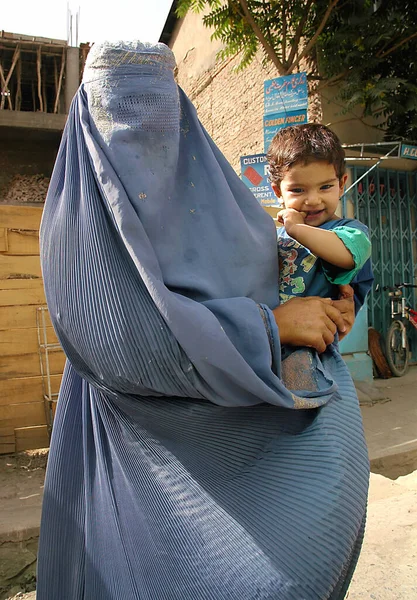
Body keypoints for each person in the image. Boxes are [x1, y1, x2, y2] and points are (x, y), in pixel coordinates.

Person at [37, 40, 369, 600]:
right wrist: (271, 327)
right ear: (90, 124)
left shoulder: (222, 203)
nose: (145, 137)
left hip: (256, 434)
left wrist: (341, 299)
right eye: (122, 114)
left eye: (160, 112)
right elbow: (118, 341)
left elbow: (292, 270)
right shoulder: (75, 226)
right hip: (136, 449)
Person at [267, 123, 373, 311]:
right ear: (278, 192)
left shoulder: (350, 230)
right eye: (298, 190)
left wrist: (298, 229)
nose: (313, 200)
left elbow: (347, 254)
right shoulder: (275, 235)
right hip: (274, 333)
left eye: (325, 187)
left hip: (316, 336)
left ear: (341, 185)